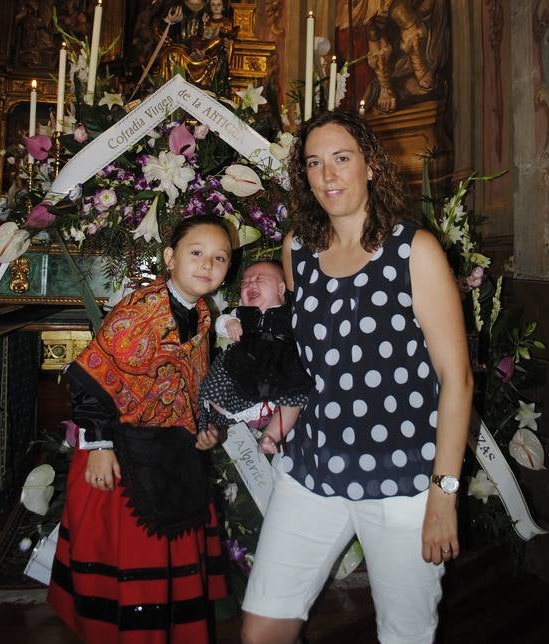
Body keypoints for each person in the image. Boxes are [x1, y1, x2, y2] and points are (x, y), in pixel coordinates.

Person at [241, 110, 474, 644]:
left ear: (370, 165)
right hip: (311, 472)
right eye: (315, 163)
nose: (328, 176)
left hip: (402, 480)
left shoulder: (414, 251)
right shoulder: (297, 248)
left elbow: (455, 377)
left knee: (404, 635)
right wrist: (281, 424)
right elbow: (314, 365)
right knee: (261, 630)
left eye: (342, 159)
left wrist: (442, 493)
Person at [48, 215, 235, 644]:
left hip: (170, 453)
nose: (207, 264)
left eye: (219, 258)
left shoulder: (203, 315)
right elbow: (92, 378)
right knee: (132, 559)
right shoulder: (141, 308)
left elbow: (190, 385)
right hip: (122, 452)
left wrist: (203, 428)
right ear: (170, 258)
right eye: (196, 253)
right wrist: (99, 446)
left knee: (174, 557)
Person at [199, 261, 313, 450]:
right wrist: (229, 323)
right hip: (243, 365)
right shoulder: (241, 313)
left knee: (295, 397)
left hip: (282, 366)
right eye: (245, 283)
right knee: (211, 387)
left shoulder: (292, 314)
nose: (250, 284)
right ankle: (212, 428)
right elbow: (219, 322)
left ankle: (271, 435)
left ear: (281, 288)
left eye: (259, 279)